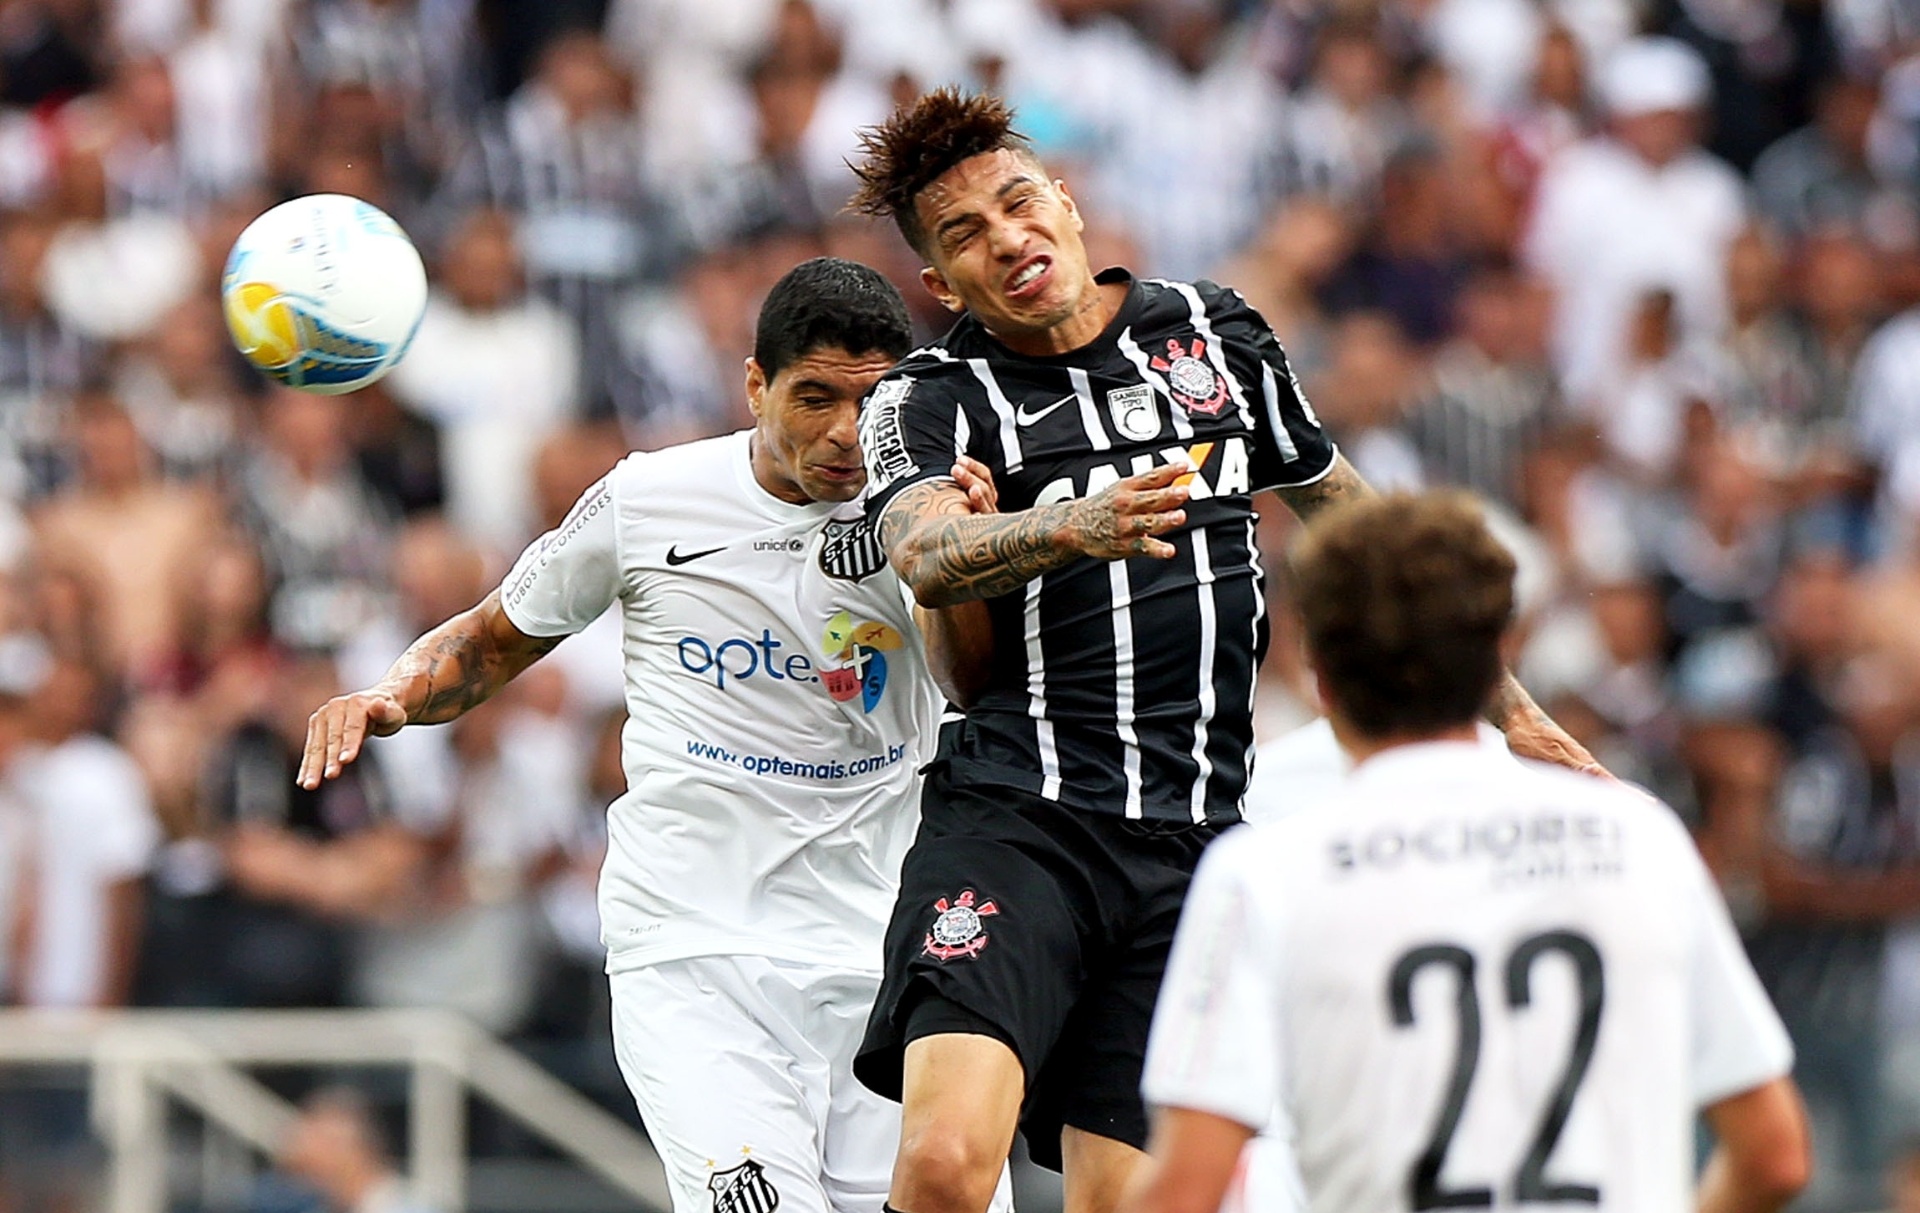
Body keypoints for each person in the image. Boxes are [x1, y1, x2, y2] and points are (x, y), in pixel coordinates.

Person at [842, 88, 1598, 1213]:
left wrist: (1516, 716)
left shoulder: (1213, 334)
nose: (1006, 237)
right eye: (965, 233)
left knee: (1136, 1202)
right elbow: (923, 551)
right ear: (942, 283)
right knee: (949, 1163)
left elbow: (1358, 529)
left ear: (1067, 202)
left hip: (1194, 848)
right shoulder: (927, 397)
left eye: (1017, 202)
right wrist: (1070, 524)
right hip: (1019, 823)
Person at [298, 257, 1002, 1213]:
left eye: (870, 402)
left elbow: (971, 687)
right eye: (815, 397)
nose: (846, 431)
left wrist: (959, 566)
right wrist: (394, 694)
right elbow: (494, 636)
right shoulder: (649, 499)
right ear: (754, 384)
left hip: (882, 952)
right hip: (694, 954)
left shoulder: (921, 513)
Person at [1127, 492, 1812, 1213]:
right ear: (1500, 661)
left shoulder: (1263, 871)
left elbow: (1185, 1191)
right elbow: (1775, 1155)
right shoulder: (1638, 839)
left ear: (1319, 673)